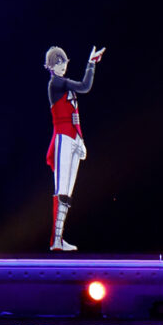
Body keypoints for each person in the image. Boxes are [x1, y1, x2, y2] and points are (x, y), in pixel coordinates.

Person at [45, 45, 105, 251]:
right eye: (58, 63)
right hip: (63, 137)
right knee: (62, 190)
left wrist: (80, 139)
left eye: (63, 62)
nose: (62, 66)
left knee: (67, 193)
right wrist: (91, 64)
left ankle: (59, 239)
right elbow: (85, 86)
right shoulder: (56, 83)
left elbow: (74, 114)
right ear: (51, 66)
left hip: (72, 137)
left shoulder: (62, 84)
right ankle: (55, 240)